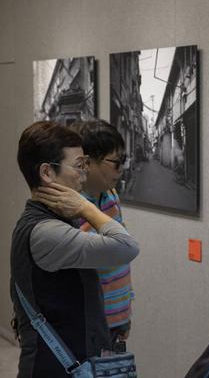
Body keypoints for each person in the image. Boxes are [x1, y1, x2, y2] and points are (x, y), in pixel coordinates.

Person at [9, 121, 139, 377]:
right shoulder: (46, 232)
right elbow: (126, 247)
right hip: (55, 366)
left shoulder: (53, 219)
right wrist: (85, 207)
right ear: (47, 173)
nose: (83, 174)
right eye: (79, 166)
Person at [71, 119, 134, 348]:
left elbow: (120, 260)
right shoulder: (72, 207)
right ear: (87, 163)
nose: (122, 169)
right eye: (117, 162)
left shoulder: (111, 196)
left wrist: (126, 311)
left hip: (117, 318)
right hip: (89, 322)